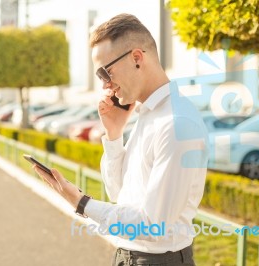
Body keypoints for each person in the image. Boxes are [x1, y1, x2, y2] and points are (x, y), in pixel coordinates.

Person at [34, 13, 208, 266]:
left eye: (106, 73)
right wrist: (114, 134)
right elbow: (119, 193)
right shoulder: (148, 115)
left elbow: (153, 226)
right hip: (131, 256)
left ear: (137, 58)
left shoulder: (176, 124)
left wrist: (81, 203)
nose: (106, 86)